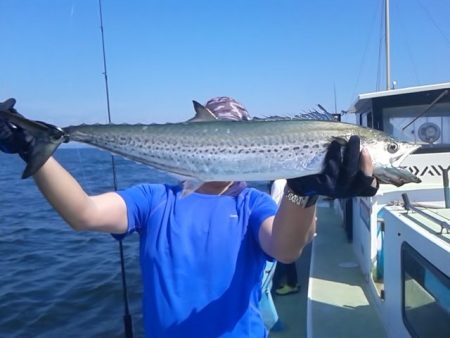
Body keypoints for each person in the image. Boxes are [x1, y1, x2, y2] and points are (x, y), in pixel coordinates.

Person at [0, 96, 379, 338]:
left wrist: (303, 190)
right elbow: (82, 213)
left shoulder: (251, 205)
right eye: (211, 133)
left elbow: (285, 248)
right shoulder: (153, 200)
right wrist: (31, 148)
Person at [270, 179, 300, 296]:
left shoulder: (278, 184)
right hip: (293, 221)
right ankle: (293, 283)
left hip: (282, 222)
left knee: (283, 254)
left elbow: (272, 203)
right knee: (289, 254)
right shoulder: (291, 183)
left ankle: (292, 284)